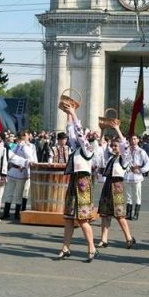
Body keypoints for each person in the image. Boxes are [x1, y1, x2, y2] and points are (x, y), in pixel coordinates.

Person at [55, 103, 98, 262]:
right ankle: (65, 248)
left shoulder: (88, 148)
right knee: (68, 217)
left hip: (83, 184)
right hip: (74, 181)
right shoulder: (76, 149)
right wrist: (68, 115)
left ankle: (92, 247)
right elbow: (71, 132)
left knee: (82, 219)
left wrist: (74, 113)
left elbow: (78, 133)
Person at [97, 124, 135, 249]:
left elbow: (124, 144)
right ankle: (103, 240)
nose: (113, 147)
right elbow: (101, 145)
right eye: (112, 145)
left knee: (119, 215)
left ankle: (129, 238)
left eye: (115, 146)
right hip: (108, 184)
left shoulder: (124, 158)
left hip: (117, 186)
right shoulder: (111, 157)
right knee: (105, 214)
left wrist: (118, 129)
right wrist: (102, 130)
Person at [1, 130, 36, 220]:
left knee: (19, 194)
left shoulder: (28, 147)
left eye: (22, 137)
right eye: (19, 138)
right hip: (12, 170)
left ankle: (17, 213)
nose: (20, 139)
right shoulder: (15, 146)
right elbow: (9, 156)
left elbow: (31, 159)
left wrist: (24, 146)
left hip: (21, 172)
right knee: (9, 192)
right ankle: (6, 212)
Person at [123, 135, 149, 221]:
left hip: (137, 176)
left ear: (138, 140)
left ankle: (136, 214)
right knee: (128, 195)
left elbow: (148, 162)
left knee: (137, 195)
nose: (133, 141)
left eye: (135, 139)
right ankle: (128, 213)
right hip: (128, 175)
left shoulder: (141, 151)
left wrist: (141, 170)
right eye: (132, 139)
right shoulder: (127, 151)